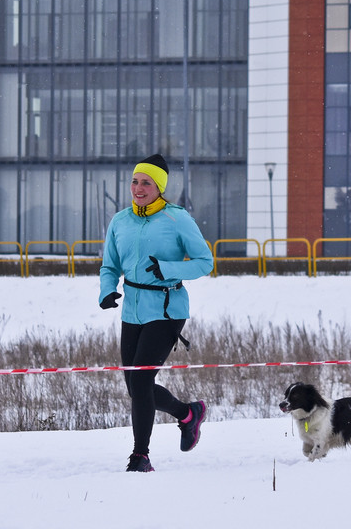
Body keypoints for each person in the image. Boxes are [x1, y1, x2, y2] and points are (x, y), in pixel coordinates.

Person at [99, 153, 214, 472]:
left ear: (159, 188)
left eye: (146, 182)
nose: (138, 187)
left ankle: (140, 455)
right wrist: (106, 290)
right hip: (132, 309)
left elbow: (205, 262)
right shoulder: (120, 221)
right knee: (136, 387)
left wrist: (167, 268)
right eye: (135, 181)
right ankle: (188, 414)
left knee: (141, 382)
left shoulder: (177, 219)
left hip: (166, 309)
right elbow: (109, 264)